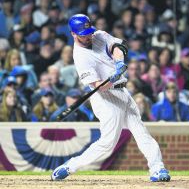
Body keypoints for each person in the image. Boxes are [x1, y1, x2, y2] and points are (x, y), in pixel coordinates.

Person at [51, 14, 170, 182]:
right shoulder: (80, 56)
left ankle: (157, 168)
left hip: (123, 92)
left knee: (141, 132)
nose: (88, 36)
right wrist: (112, 78)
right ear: (73, 34)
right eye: (83, 34)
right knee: (107, 143)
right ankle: (70, 166)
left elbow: (116, 46)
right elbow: (97, 86)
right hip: (104, 97)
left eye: (88, 32)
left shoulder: (98, 35)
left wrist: (119, 62)